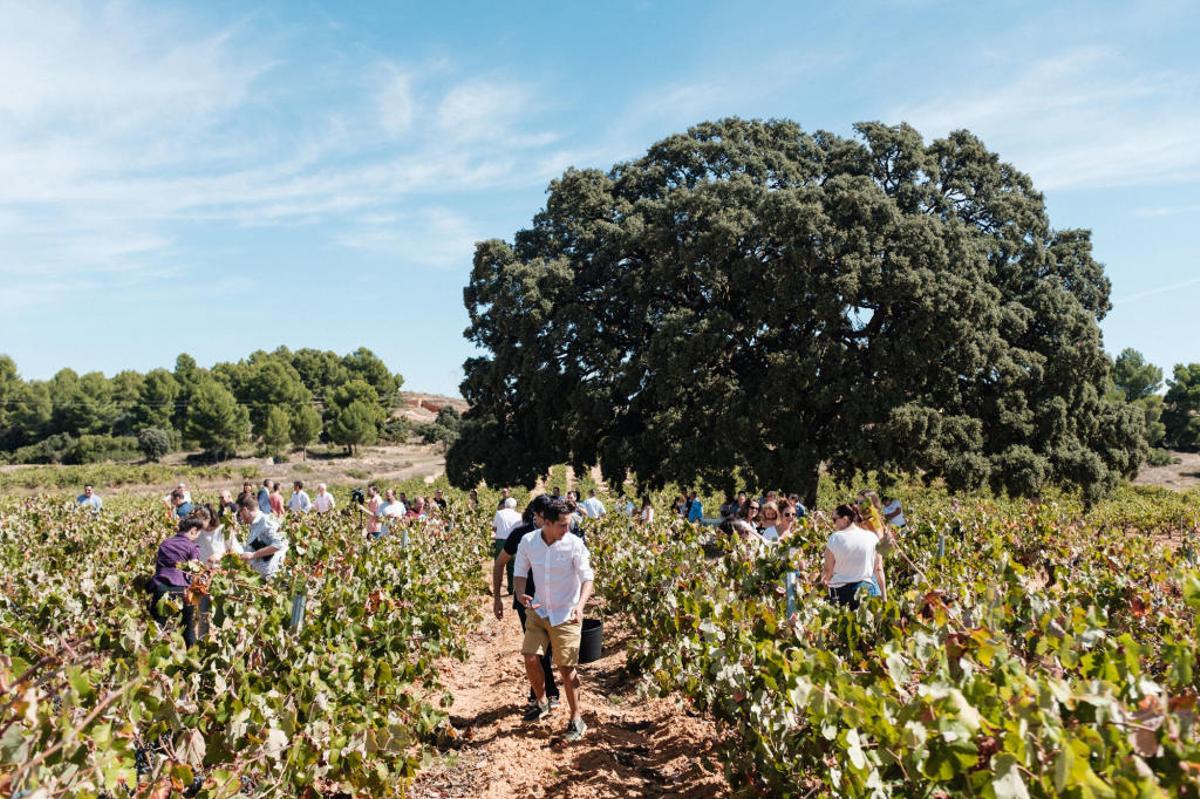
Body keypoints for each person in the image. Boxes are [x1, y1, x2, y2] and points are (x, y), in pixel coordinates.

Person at [514, 498, 593, 741]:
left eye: (568, 524)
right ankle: (541, 702)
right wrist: (520, 595)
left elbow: (587, 578)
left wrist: (580, 606)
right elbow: (519, 573)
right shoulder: (528, 542)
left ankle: (576, 718)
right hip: (538, 610)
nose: (567, 529)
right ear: (546, 523)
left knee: (566, 669)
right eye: (562, 525)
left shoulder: (574, 544)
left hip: (566, 613)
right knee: (530, 658)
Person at [492, 495, 560, 714]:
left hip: (553, 599)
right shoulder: (520, 534)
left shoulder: (556, 532)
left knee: (546, 650)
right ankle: (545, 695)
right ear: (537, 515)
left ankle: (542, 694)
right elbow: (500, 563)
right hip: (527, 601)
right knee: (537, 651)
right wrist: (497, 597)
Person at [148, 516, 203, 647]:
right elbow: (195, 569)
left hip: (162, 589)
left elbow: (159, 568)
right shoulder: (192, 547)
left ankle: (158, 663)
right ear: (193, 530)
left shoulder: (165, 543)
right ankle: (192, 662)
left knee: (159, 629)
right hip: (182, 590)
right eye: (198, 534)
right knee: (188, 630)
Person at [821, 504, 887, 609]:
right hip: (865, 591)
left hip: (841, 593)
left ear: (845, 519)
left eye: (834, 519)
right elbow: (878, 569)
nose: (833, 524)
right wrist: (884, 597)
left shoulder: (835, 538)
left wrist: (821, 586)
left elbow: (828, 569)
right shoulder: (872, 537)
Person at [237, 494, 287, 580]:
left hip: (274, 578)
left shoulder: (266, 521)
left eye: (239, 512)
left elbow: (279, 544)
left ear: (245, 510)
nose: (240, 516)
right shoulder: (253, 525)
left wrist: (253, 555)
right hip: (263, 577)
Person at [493, 497, 523, 593]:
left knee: (499, 565)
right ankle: (511, 588)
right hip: (513, 542)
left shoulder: (499, 513)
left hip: (500, 542)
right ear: (515, 506)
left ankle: (497, 588)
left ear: (505, 505)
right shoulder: (519, 515)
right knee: (512, 566)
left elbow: (494, 528)